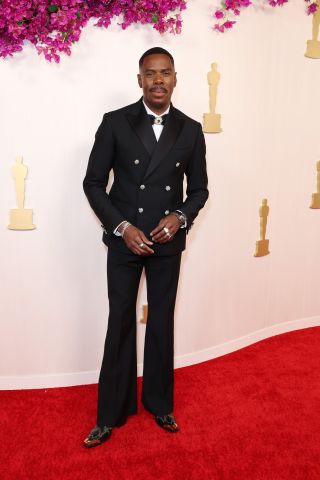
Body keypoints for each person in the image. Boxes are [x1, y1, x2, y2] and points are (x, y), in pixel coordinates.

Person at [82, 47, 209, 447]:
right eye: (150, 73)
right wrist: (121, 226)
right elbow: (93, 183)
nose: (158, 80)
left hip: (166, 242)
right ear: (139, 80)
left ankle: (160, 404)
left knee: (161, 321)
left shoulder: (190, 129)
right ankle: (110, 413)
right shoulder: (115, 122)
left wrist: (179, 218)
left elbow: (200, 189)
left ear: (175, 79)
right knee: (119, 319)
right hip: (125, 240)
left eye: (165, 73)